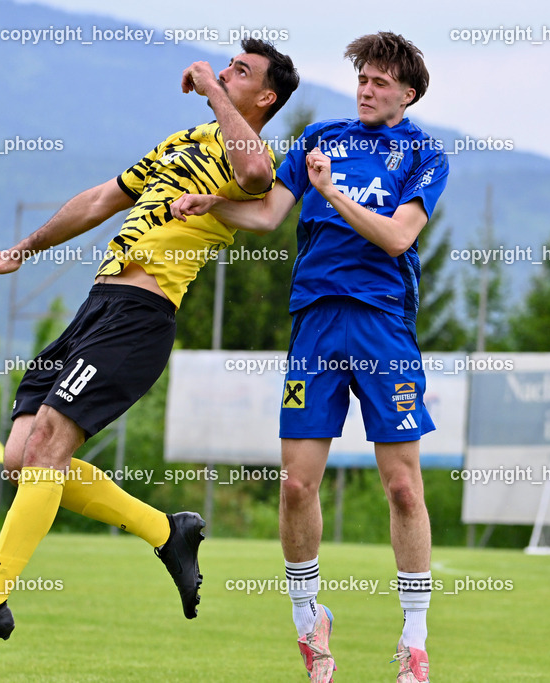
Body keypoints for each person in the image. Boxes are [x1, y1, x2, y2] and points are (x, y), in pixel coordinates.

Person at [0, 38, 299, 658]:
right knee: (22, 460)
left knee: (47, 447)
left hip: (141, 317)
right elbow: (98, 200)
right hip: (97, 307)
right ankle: (165, 531)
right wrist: (22, 250)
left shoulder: (251, 155)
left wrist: (212, 89)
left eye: (241, 71)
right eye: (226, 65)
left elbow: (255, 177)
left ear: (267, 97)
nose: (226, 72)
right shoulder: (181, 143)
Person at [171, 31, 447, 683]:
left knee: (403, 486)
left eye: (380, 82)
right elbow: (269, 214)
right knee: (296, 484)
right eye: (362, 79)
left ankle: (413, 640)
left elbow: (398, 237)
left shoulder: (425, 155)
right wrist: (216, 205)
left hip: (383, 327)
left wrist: (334, 193)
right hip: (315, 325)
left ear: (407, 94)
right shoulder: (321, 137)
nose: (366, 90)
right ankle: (308, 623)